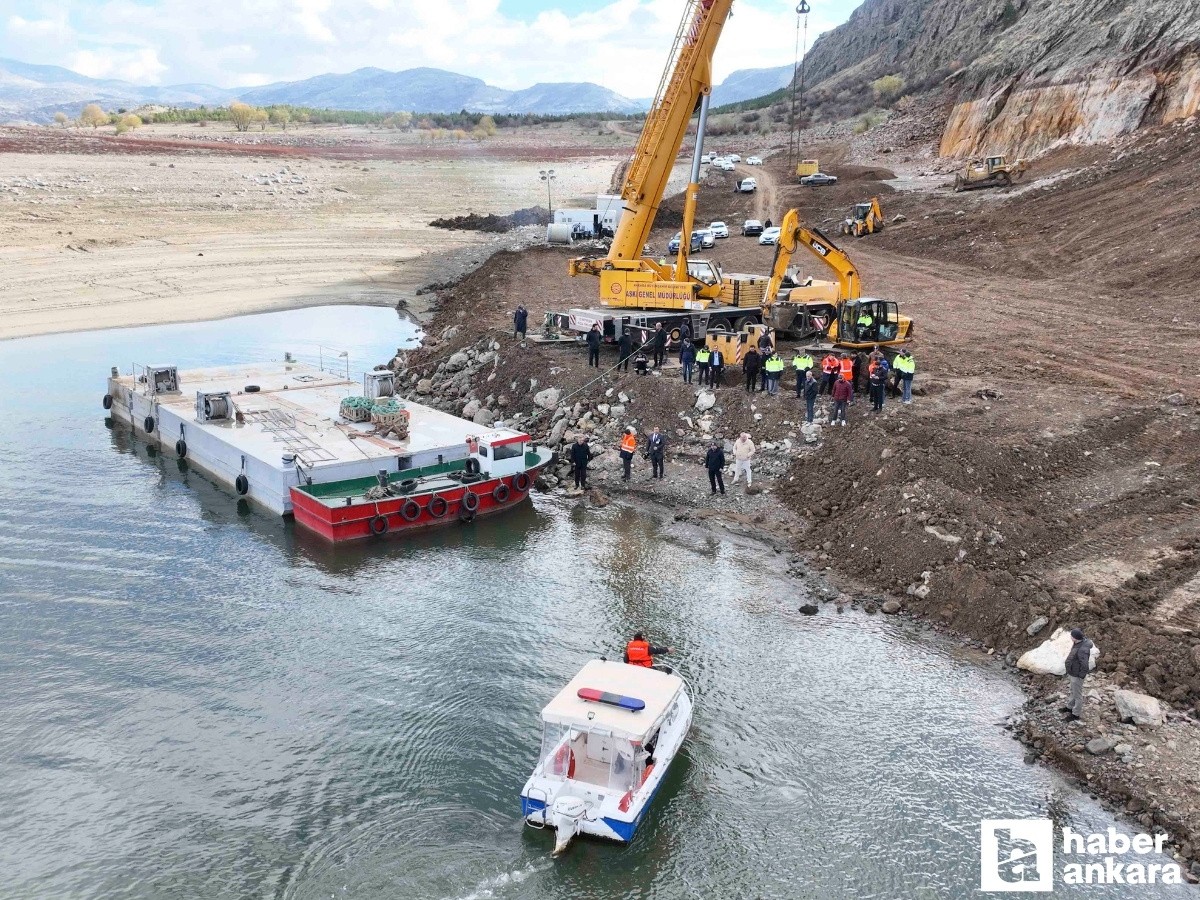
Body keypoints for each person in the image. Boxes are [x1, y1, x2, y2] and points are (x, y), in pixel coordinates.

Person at [1063, 628, 1095, 721]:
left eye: (1071, 636)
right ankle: (1070, 707)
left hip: (1077, 675)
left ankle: (1075, 714)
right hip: (1073, 672)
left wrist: (1081, 676)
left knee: (1077, 695)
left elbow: (1084, 664)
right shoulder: (1078, 643)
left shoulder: (1082, 649)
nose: (1070, 637)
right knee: (1073, 691)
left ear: (1075, 638)